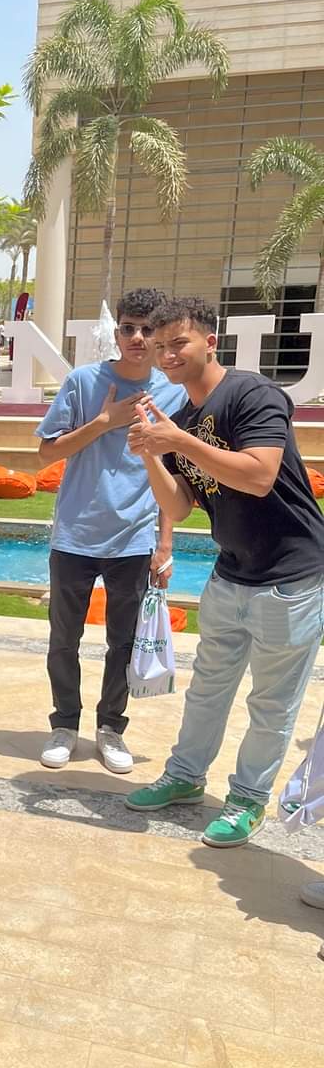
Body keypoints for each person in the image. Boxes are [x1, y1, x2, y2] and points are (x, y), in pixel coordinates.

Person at [126, 295, 324, 846]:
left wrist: (178, 441)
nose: (167, 354)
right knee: (208, 689)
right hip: (231, 573)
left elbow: (259, 475)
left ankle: (247, 800)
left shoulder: (252, 394)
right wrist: (151, 454)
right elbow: (179, 506)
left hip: (291, 579)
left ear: (210, 342)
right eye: (159, 346)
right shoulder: (185, 419)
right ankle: (185, 777)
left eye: (178, 342)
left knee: (271, 703)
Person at [35, 288, 183, 774]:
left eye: (147, 329)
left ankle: (110, 728)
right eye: (128, 328)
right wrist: (104, 421)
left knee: (123, 642)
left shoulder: (173, 392)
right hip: (75, 535)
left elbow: (172, 472)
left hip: (134, 539)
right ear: (116, 332)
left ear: (159, 336)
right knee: (64, 639)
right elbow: (47, 452)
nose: (137, 337)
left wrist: (164, 543)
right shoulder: (83, 381)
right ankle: (64, 724)